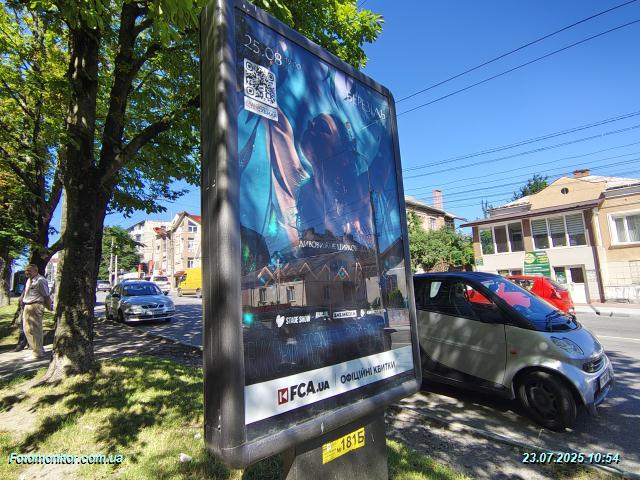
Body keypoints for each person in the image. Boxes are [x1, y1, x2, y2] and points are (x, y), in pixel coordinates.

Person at [19, 264, 53, 358]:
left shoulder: (40, 281)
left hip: (36, 305)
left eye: (29, 271)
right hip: (27, 306)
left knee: (35, 330)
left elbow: (46, 296)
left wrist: (49, 307)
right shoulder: (29, 280)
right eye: (26, 270)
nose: (27, 272)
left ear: (35, 271)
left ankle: (38, 352)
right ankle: (36, 349)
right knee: (27, 329)